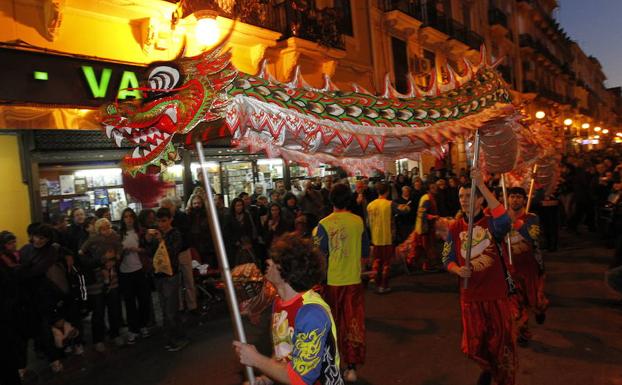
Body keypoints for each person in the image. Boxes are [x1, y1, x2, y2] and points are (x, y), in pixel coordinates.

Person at [233, 233, 343, 385]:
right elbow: (282, 352)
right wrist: (266, 379)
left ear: (288, 270)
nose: (268, 261)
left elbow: (301, 379)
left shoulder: (311, 313)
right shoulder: (280, 302)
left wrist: (257, 360)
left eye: (275, 260)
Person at [441, 170, 515, 385]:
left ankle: (500, 376)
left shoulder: (492, 223)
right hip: (470, 296)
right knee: (474, 345)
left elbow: (504, 220)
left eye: (469, 196)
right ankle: (488, 367)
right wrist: (457, 270)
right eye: (461, 197)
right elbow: (447, 258)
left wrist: (481, 185)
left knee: (500, 341)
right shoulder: (455, 228)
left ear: (480, 200)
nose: (464, 201)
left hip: (495, 294)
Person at [315, 184, 370, 382]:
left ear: (331, 201)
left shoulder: (323, 224)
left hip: (331, 282)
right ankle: (352, 367)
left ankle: (333, 366)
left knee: (332, 326)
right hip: (354, 281)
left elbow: (319, 257)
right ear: (349, 200)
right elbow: (365, 254)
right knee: (353, 324)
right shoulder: (358, 222)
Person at [507, 187, 548, 347]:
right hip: (511, 270)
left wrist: (515, 223)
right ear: (507, 198)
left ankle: (541, 309)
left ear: (524, 200)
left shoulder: (532, 218)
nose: (515, 200)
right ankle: (523, 332)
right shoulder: (500, 217)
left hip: (530, 269)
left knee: (536, 301)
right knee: (516, 305)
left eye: (518, 197)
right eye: (512, 196)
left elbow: (533, 236)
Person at [146, 207, 188, 352]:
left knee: (171, 308)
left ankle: (174, 339)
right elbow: (149, 253)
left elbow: (173, 252)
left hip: (171, 274)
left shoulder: (175, 233)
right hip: (158, 275)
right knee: (165, 308)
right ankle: (174, 337)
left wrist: (160, 240)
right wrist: (148, 240)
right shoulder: (156, 232)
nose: (161, 224)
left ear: (170, 219)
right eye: (158, 221)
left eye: (164, 221)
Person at [79, 218, 123, 352]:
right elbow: (82, 258)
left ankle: (115, 334)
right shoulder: (89, 241)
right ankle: (98, 339)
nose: (106, 230)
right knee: (98, 311)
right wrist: (101, 261)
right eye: (102, 228)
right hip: (95, 279)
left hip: (112, 276)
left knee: (114, 308)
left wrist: (115, 259)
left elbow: (119, 249)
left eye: (108, 227)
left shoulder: (115, 237)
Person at [118, 208, 152, 344]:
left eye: (130, 216)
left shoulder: (140, 232)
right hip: (125, 271)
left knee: (144, 299)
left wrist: (138, 250)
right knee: (129, 302)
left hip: (139, 269)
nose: (128, 219)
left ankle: (142, 325)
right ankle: (133, 329)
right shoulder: (119, 234)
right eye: (126, 217)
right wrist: (121, 253)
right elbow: (115, 251)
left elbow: (149, 249)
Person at [160, 197, 197, 313]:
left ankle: (192, 305)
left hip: (183, 251)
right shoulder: (164, 219)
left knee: (188, 279)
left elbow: (186, 234)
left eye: (166, 208)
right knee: (176, 281)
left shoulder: (182, 217)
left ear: (172, 207)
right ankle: (179, 306)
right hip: (172, 253)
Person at [366, 182, 395, 293]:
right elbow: (404, 210)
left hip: (375, 238)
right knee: (386, 263)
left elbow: (368, 223)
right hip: (387, 238)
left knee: (377, 261)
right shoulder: (389, 204)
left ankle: (376, 282)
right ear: (387, 191)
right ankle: (384, 285)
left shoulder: (370, 205)